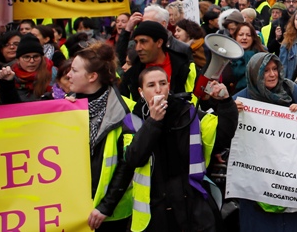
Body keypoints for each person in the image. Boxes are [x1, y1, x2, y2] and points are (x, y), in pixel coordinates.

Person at [123, 67, 237, 232]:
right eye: (151, 85)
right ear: (141, 92)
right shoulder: (133, 120)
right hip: (153, 211)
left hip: (191, 205)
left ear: (169, 86)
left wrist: (226, 103)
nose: (158, 89)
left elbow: (222, 136)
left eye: (162, 83)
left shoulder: (187, 112)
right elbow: (134, 157)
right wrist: (153, 121)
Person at [234, 53, 297, 231]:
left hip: (290, 170)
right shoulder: (241, 98)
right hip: (257, 175)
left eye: (274, 69)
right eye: (265, 71)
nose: (272, 75)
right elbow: (226, 134)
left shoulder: (290, 89)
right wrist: (230, 113)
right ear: (255, 74)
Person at [67, 42, 134, 231]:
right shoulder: (66, 106)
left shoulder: (125, 112)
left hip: (110, 214)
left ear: (92, 76)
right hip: (75, 207)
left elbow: (127, 165)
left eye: (74, 70)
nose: (68, 75)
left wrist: (106, 207)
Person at [119, 21, 197, 102]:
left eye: (143, 41)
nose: (138, 48)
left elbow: (203, 104)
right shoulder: (130, 76)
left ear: (159, 42)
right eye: (136, 42)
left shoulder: (186, 68)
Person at [0, 34, 55, 104]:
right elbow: (5, 106)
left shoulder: (53, 73)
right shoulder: (9, 74)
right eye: (26, 57)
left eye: (36, 56)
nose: (32, 61)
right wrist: (6, 83)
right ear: (18, 60)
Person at [219, 22, 266, 95]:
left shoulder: (262, 58)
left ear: (253, 38)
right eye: (241, 35)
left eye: (248, 35)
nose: (244, 38)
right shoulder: (225, 57)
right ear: (235, 37)